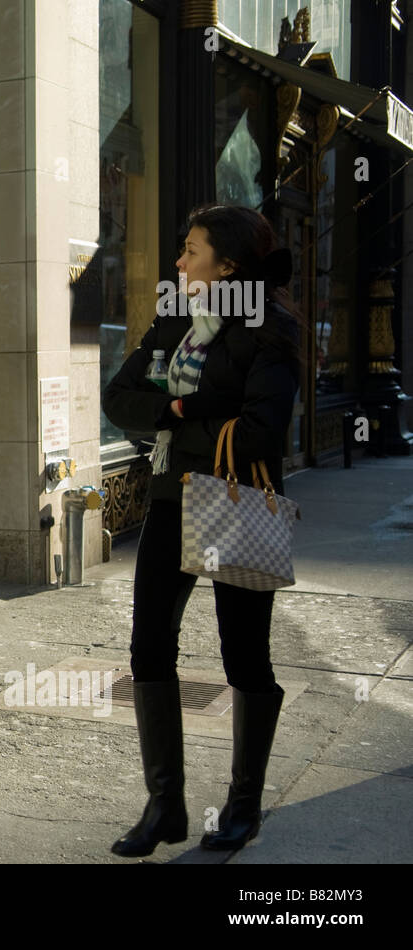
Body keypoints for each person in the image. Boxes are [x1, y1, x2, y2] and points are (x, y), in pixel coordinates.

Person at [101, 204, 302, 856]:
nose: (180, 263)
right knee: (147, 646)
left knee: (245, 655)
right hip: (170, 496)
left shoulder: (270, 330)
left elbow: (261, 430)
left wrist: (176, 422)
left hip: (237, 497)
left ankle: (243, 806)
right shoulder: (174, 321)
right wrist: (182, 405)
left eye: (191, 250)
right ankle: (166, 806)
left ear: (230, 264)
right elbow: (118, 394)